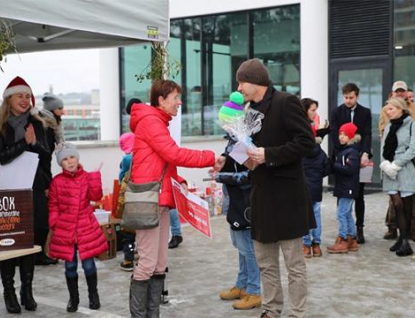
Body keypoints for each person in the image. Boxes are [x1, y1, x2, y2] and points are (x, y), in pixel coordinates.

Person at [227, 58, 315, 318]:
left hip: (288, 198)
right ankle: (271, 310)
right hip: (261, 195)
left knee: (294, 264)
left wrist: (269, 154)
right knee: (265, 263)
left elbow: (306, 142)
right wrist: (236, 157)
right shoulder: (248, 109)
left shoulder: (286, 102)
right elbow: (249, 146)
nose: (239, 88)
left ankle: (297, 313)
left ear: (255, 80)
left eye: (241, 82)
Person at [128, 79, 217, 317]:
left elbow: (165, 163)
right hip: (149, 199)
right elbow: (173, 154)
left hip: (160, 198)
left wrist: (181, 184)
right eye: (176, 97)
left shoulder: (157, 122)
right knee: (147, 262)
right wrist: (210, 157)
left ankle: (152, 314)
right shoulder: (150, 121)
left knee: (159, 263)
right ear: (161, 100)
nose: (180, 102)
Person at [0, 76, 52, 314]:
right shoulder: (1, 126)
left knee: (33, 238)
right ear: (8, 99)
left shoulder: (37, 124)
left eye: (26, 95)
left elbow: (45, 155)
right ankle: (9, 292)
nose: (24, 99)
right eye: (19, 95)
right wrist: (24, 143)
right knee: (10, 241)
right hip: (8, 192)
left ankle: (26, 291)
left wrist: (33, 144)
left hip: (33, 189)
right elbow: (2, 157)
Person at [48, 143, 108, 312]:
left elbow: (96, 196)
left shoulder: (88, 177)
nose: (70, 161)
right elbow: (53, 205)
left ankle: (93, 295)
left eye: (72, 157)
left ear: (77, 157)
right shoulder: (57, 182)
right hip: (65, 229)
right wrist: (54, 223)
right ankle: (73, 298)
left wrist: (95, 178)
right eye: (65, 159)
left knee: (88, 264)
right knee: (70, 266)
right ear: (60, 163)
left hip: (85, 226)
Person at [215, 134, 261, 311]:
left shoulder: (246, 143)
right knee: (241, 247)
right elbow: (233, 164)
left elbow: (249, 175)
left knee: (248, 250)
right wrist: (223, 160)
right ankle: (242, 286)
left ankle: (254, 291)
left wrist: (221, 176)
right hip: (235, 202)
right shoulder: (234, 143)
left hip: (246, 203)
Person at [330, 83, 372, 244]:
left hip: (360, 156)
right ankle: (346, 231)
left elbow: (367, 134)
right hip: (341, 155)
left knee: (359, 194)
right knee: (341, 192)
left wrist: (364, 153)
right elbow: (335, 134)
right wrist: (343, 152)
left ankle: (358, 228)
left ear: (357, 96)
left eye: (351, 97)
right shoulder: (336, 112)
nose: (348, 100)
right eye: (346, 97)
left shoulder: (365, 112)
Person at [379, 81, 415, 241]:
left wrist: (397, 164)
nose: (388, 111)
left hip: (405, 168)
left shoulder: (411, 122)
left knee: (407, 206)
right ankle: (395, 231)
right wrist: (386, 164)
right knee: (396, 205)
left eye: (391, 109)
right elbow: (383, 144)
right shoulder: (387, 124)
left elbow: (412, 148)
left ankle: (405, 238)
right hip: (390, 170)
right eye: (387, 109)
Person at [300, 98, 331, 258]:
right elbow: (327, 167)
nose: (315, 113)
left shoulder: (301, 143)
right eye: (313, 110)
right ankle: (316, 245)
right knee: (316, 214)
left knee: (304, 214)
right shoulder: (318, 151)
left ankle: (305, 246)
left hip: (303, 185)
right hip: (317, 186)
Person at [327, 123, 360, 254]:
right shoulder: (344, 151)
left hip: (348, 188)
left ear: (351, 136)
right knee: (347, 213)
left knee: (341, 213)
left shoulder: (351, 152)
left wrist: (334, 166)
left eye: (345, 135)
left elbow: (350, 169)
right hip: (344, 187)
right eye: (340, 134)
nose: (341, 137)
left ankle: (344, 239)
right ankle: (352, 239)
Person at [117, 132, 137, 271]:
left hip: (129, 199)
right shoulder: (143, 155)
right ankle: (141, 254)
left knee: (128, 233)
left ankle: (128, 259)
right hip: (144, 198)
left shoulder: (127, 159)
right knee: (142, 230)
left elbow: (122, 176)